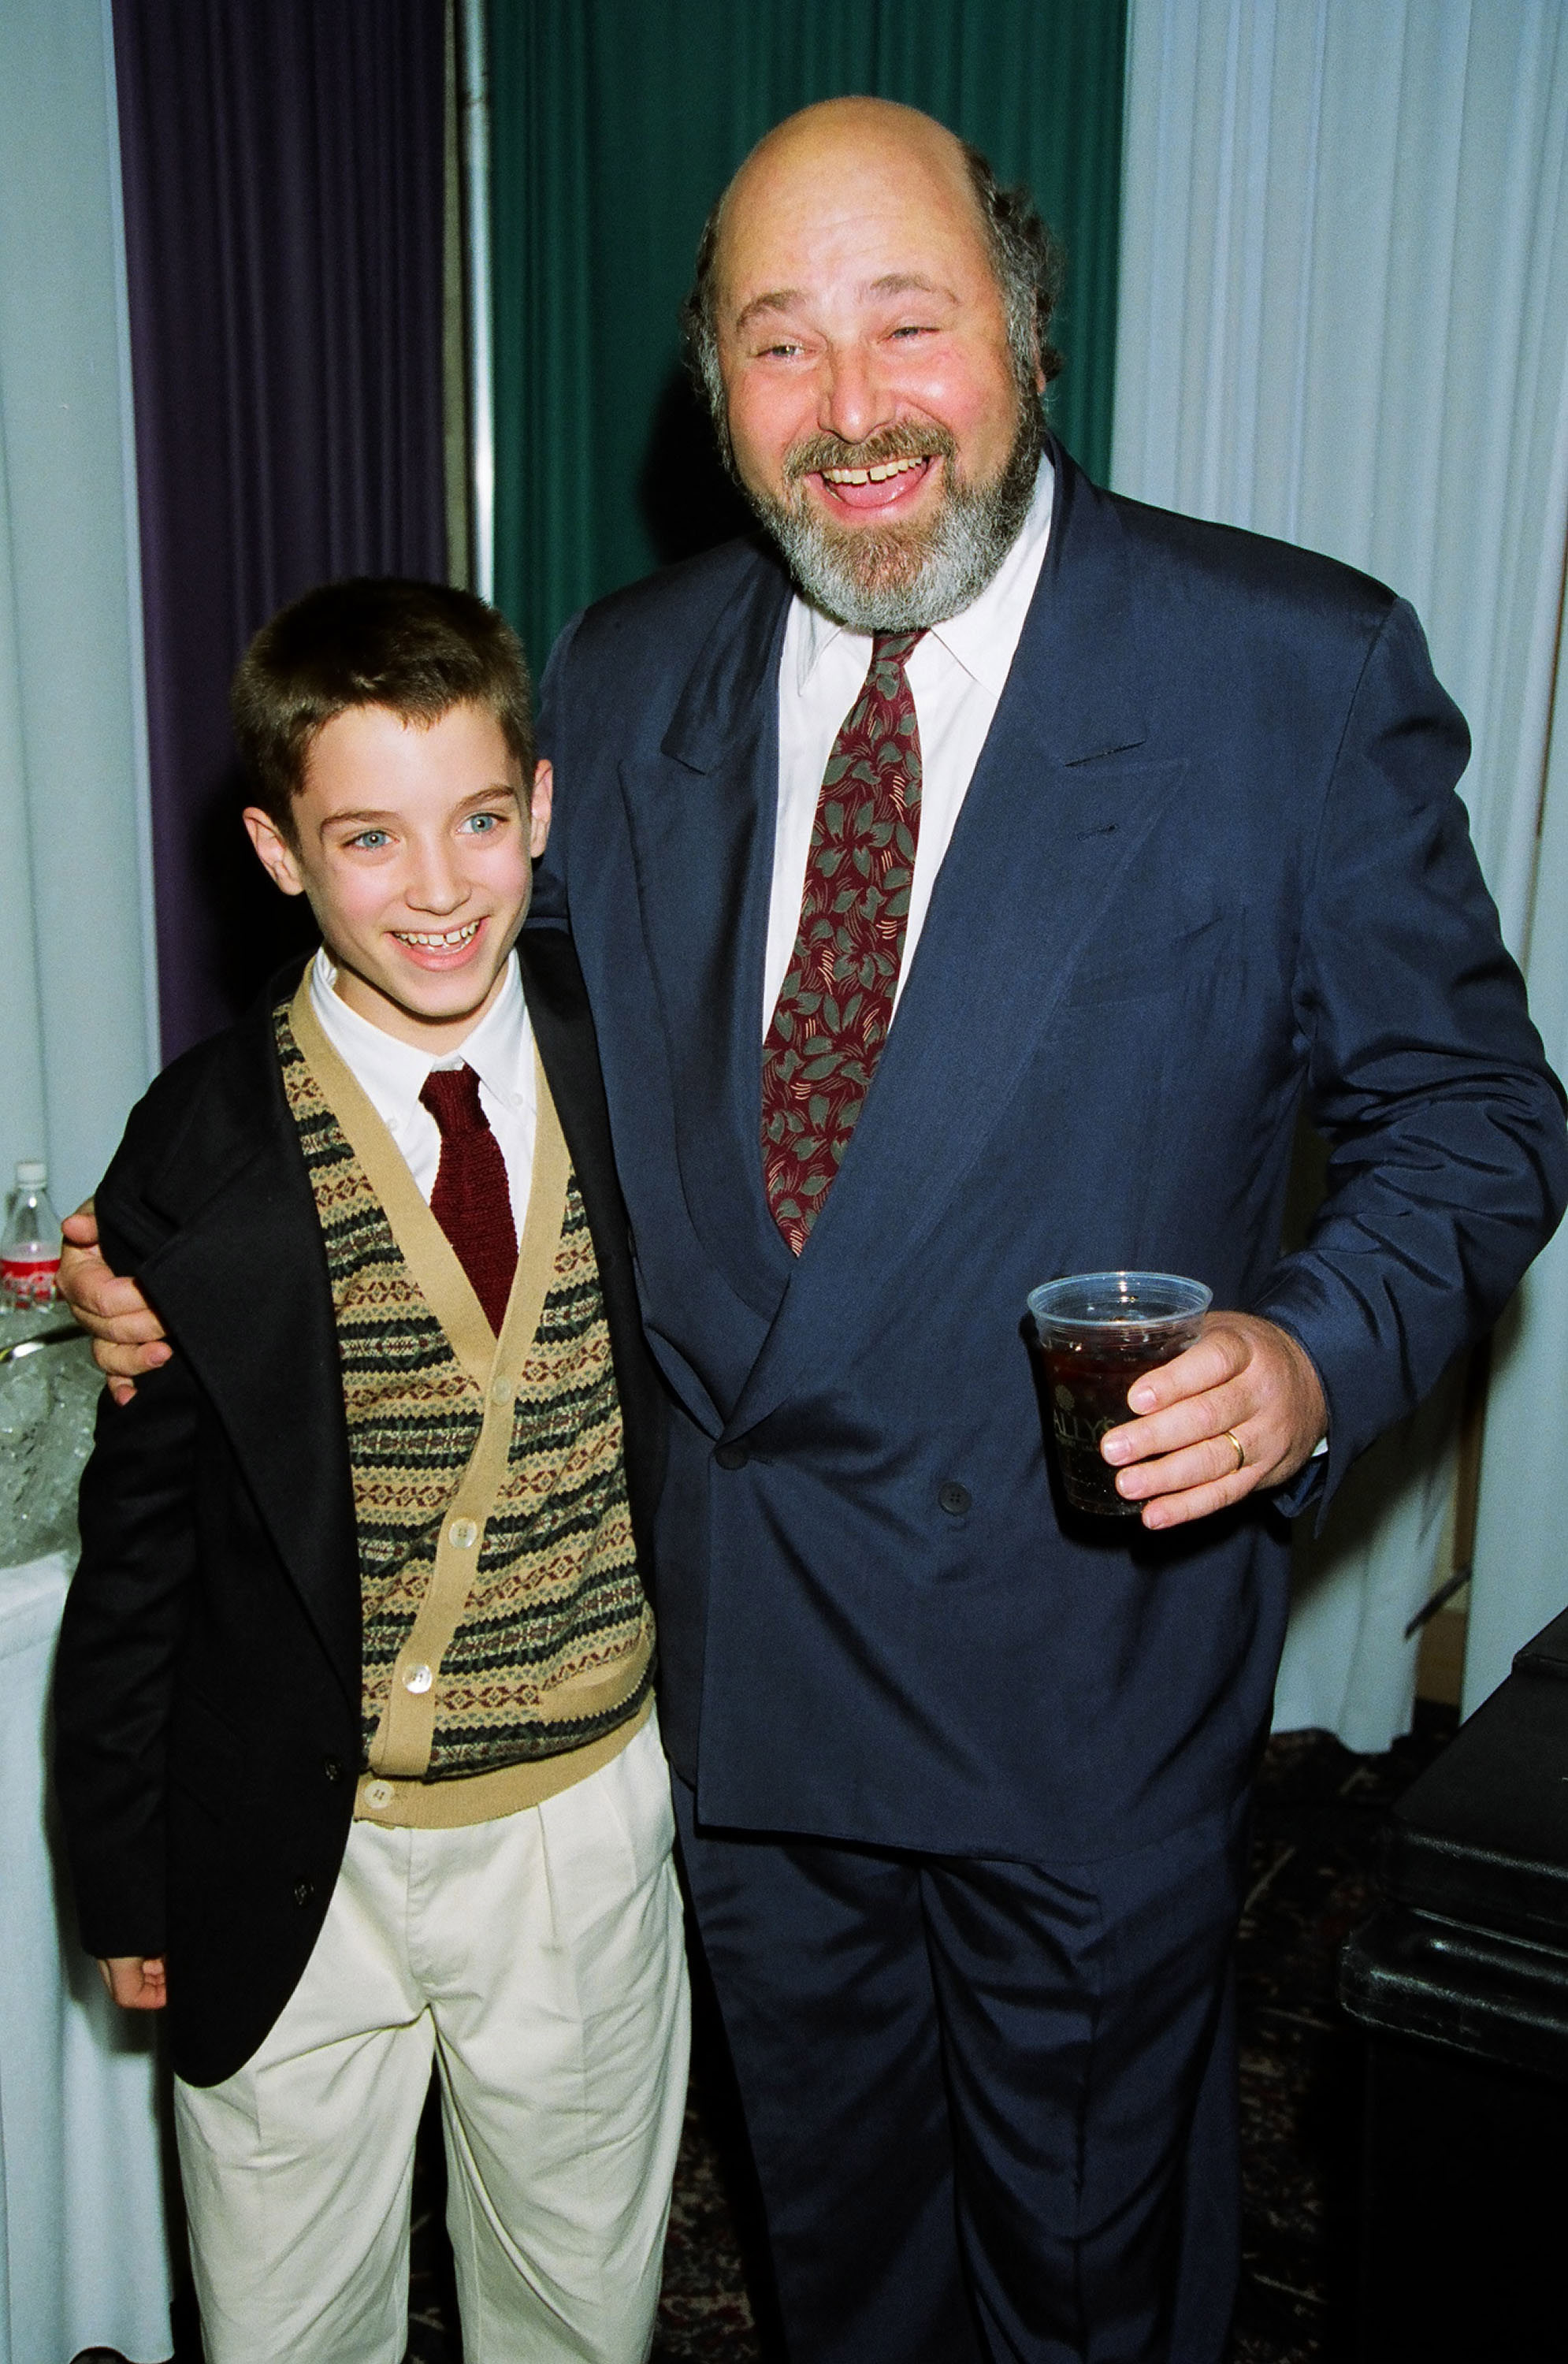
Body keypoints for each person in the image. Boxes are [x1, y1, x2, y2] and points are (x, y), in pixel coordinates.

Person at [64, 99, 1568, 2364]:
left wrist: (1310, 1350)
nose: (851, 408)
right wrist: (176, 1229)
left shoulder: (1281, 670)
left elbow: (1467, 1114)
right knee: (838, 2269)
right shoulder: (626, 669)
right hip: (738, 1695)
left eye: (905, 323)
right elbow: (466, 1020)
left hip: (1076, 1682)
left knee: (1080, 2284)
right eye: (780, 346)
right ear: (716, 395)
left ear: (1022, 338)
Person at [52, 578, 689, 2364]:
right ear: (275, 850)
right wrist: (126, 1876)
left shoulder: (638, 1060)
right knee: (281, 2320)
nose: (434, 887)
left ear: (538, 812)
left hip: (578, 1822)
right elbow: (142, 1551)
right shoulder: (197, 1149)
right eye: (364, 838)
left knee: (574, 2308)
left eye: (479, 821)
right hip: (289, 1846)